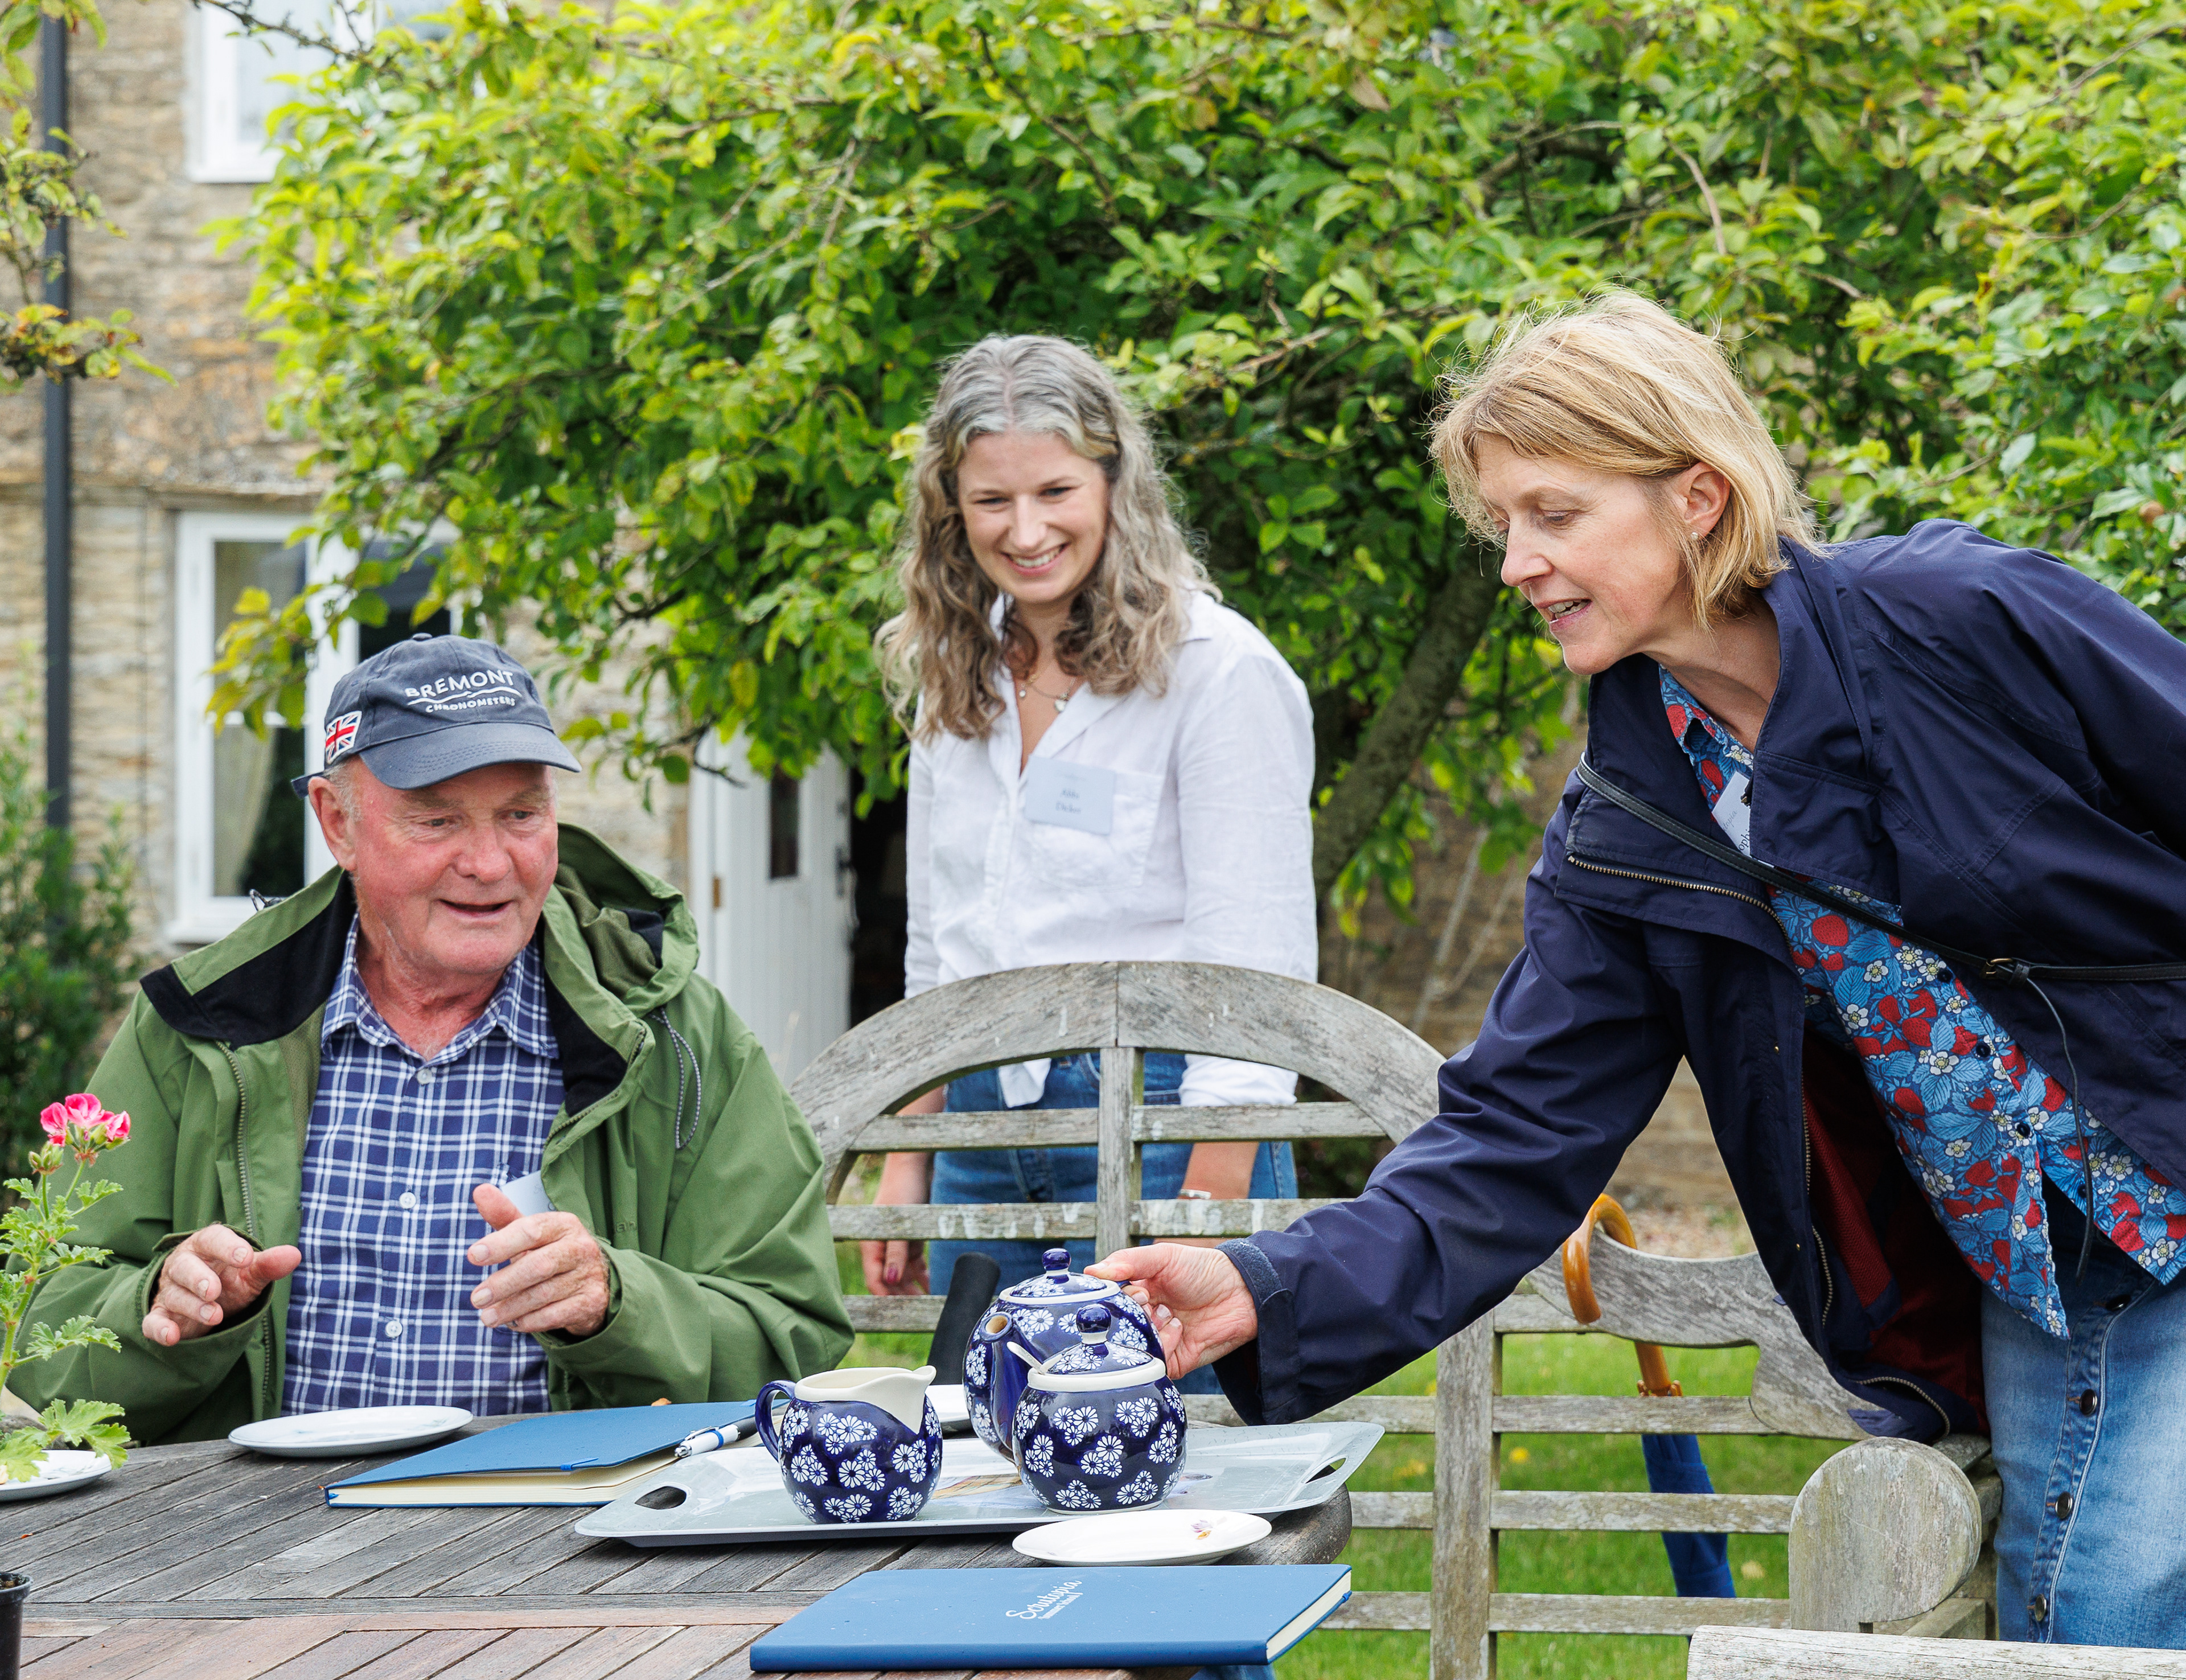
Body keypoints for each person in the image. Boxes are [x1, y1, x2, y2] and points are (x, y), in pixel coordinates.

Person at [1095, 292, 2186, 1648]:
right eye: (1504, 525)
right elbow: (1515, 1137)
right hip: (2054, 1272)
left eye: (1554, 514)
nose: (1516, 564)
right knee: (2079, 1621)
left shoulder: (1966, 619)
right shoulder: (1633, 825)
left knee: (2100, 1616)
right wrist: (1268, 1287)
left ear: (1699, 498)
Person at [19, 634, 852, 1444]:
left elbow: (796, 1338)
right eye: (438, 821)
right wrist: (165, 1310)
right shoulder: (200, 1025)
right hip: (248, 1549)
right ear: (337, 823)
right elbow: (42, 1348)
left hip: (564, 1544)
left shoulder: (673, 1036)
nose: (491, 863)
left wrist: (618, 1303)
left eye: (522, 814)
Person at [861, 335, 1315, 1389]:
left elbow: (1259, 972)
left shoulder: (1216, 671)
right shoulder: (951, 669)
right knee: (992, 1449)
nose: (1026, 532)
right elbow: (941, 944)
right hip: (982, 1124)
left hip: (1171, 1121)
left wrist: (1210, 1212)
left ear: (1115, 481)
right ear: (949, 508)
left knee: (1189, 1456)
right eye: (990, 502)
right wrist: (906, 1156)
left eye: (1057, 489)